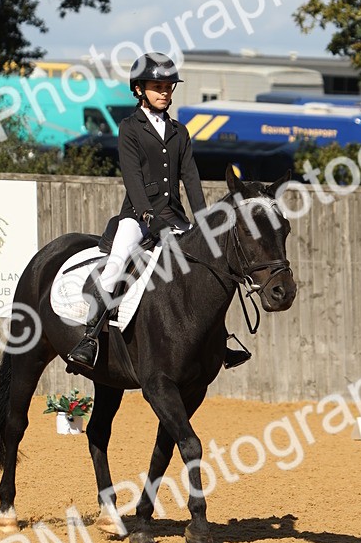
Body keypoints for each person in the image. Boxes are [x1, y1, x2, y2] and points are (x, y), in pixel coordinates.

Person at [67, 52, 252, 370]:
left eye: (169, 87)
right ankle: (90, 337)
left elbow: (190, 177)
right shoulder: (130, 128)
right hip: (138, 218)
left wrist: (203, 218)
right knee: (116, 264)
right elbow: (132, 176)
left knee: (207, 271)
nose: (165, 92)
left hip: (175, 218)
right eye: (157, 87)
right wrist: (146, 215)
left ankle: (218, 340)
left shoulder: (180, 131)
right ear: (139, 89)